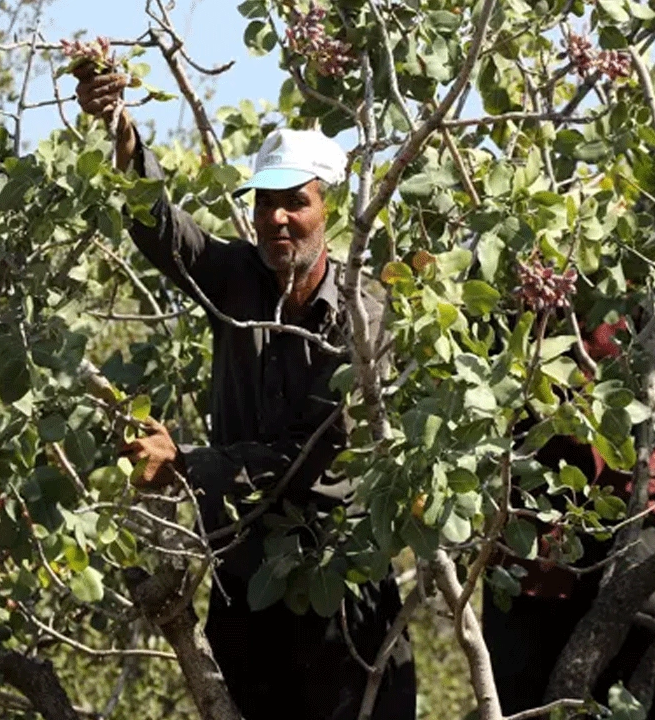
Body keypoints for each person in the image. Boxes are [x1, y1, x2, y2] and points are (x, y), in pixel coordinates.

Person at [74, 71, 415, 720]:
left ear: (328, 209)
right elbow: (161, 230)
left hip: (338, 594)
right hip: (243, 586)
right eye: (265, 202)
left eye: (297, 201)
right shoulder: (238, 276)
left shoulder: (360, 315)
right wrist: (120, 128)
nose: (278, 217)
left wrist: (186, 464)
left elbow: (319, 459)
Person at [483, 307, 655, 717]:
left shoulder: (639, 257)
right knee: (524, 694)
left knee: (651, 679)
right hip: (527, 521)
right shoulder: (510, 263)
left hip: (630, 506)